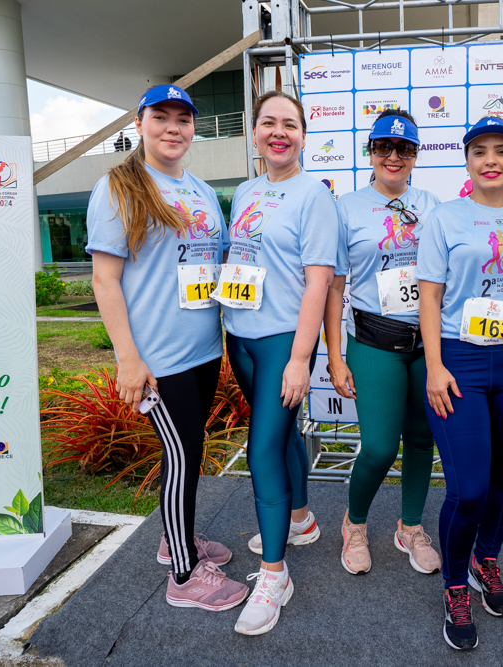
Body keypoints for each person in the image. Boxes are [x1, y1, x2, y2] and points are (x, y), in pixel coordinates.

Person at [87, 84, 249, 613]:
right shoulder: (118, 186)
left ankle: (174, 537)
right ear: (140, 123)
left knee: (190, 450)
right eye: (161, 117)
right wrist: (128, 359)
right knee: (180, 456)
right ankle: (184, 574)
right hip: (156, 359)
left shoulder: (200, 189)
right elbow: (105, 281)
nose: (172, 127)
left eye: (183, 118)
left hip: (202, 350)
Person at [416, 116, 503, 651]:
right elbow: (430, 297)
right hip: (460, 362)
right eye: (480, 151)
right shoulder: (444, 218)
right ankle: (455, 587)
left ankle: (485, 560)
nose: (491, 160)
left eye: (502, 150)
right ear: (467, 160)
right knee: (468, 487)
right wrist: (434, 366)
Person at [219, 90, 338, 636]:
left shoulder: (314, 196)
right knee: (283, 435)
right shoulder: (246, 190)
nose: (278, 132)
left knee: (262, 449)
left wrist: (299, 358)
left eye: (289, 124)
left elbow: (319, 282)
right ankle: (301, 520)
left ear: (303, 136)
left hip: (281, 341)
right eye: (268, 122)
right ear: (255, 133)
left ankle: (274, 576)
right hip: (240, 335)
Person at [325, 109, 441, 576]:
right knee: (378, 447)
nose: (393, 156)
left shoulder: (432, 205)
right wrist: (335, 357)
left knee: (422, 439)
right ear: (370, 151)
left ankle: (410, 526)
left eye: (404, 148)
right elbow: (335, 286)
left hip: (427, 343)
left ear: (416, 154)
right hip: (375, 340)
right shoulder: (346, 208)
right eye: (383, 147)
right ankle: (354, 523)